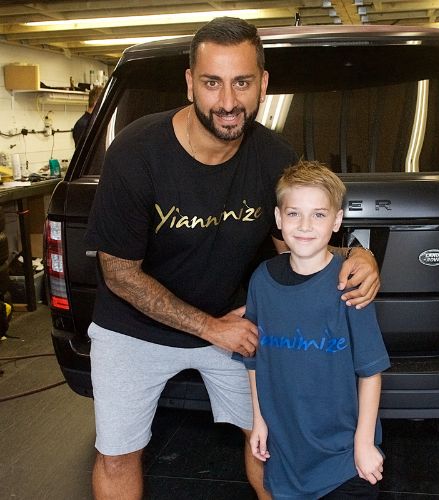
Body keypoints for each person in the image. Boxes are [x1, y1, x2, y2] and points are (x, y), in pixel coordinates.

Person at [85, 17, 380, 500]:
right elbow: (118, 273)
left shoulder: (273, 157)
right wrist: (207, 327)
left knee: (267, 440)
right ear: (189, 83)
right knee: (117, 452)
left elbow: (300, 247)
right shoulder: (135, 153)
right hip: (134, 325)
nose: (227, 101)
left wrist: (359, 255)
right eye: (212, 82)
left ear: (262, 84)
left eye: (241, 82)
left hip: (233, 321)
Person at [241, 160, 390, 499]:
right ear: (279, 219)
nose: (305, 225)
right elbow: (252, 360)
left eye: (319, 215)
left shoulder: (349, 285)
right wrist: (259, 420)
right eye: (294, 214)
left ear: (336, 221)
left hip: (343, 456)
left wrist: (364, 444)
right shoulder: (262, 280)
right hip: (287, 453)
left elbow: (370, 373)